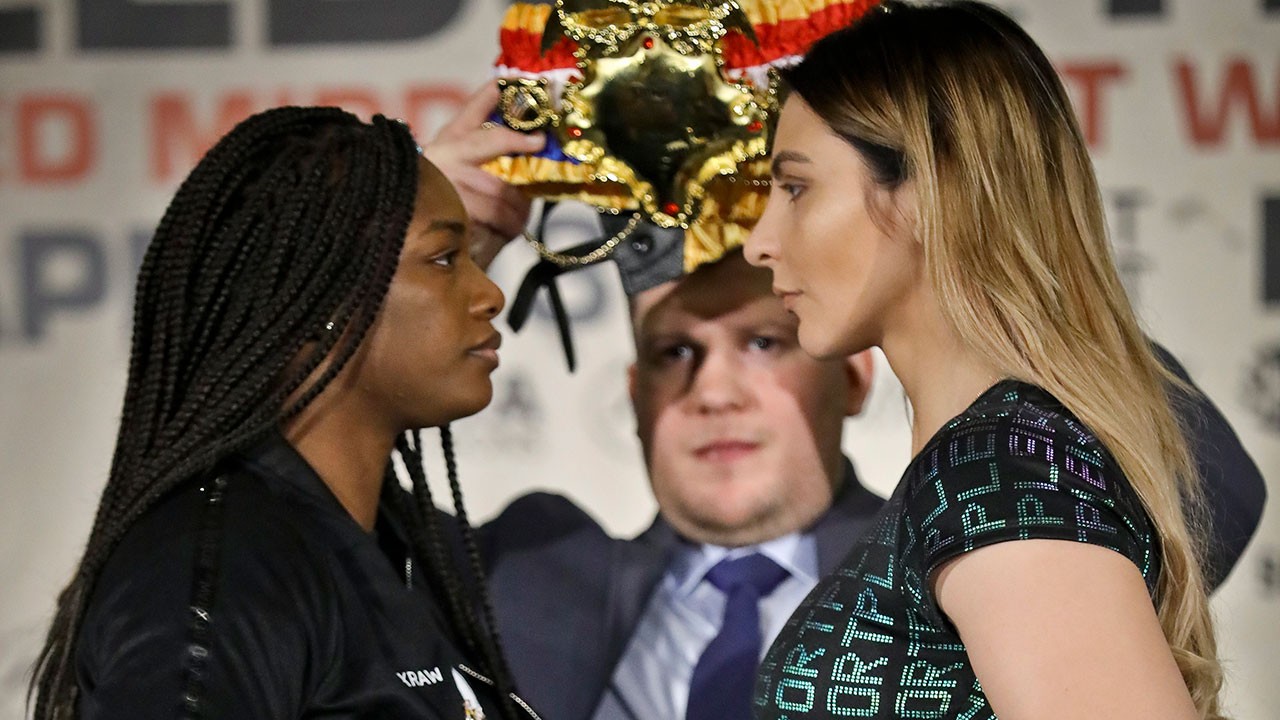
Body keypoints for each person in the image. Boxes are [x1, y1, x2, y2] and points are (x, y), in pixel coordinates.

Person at [743, 1, 1228, 717]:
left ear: (929, 191)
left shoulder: (993, 472)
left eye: (795, 188)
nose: (759, 241)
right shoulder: (987, 463)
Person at [29, 107, 540, 719]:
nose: (490, 294)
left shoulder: (393, 546)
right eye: (444, 260)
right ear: (324, 301)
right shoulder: (222, 573)